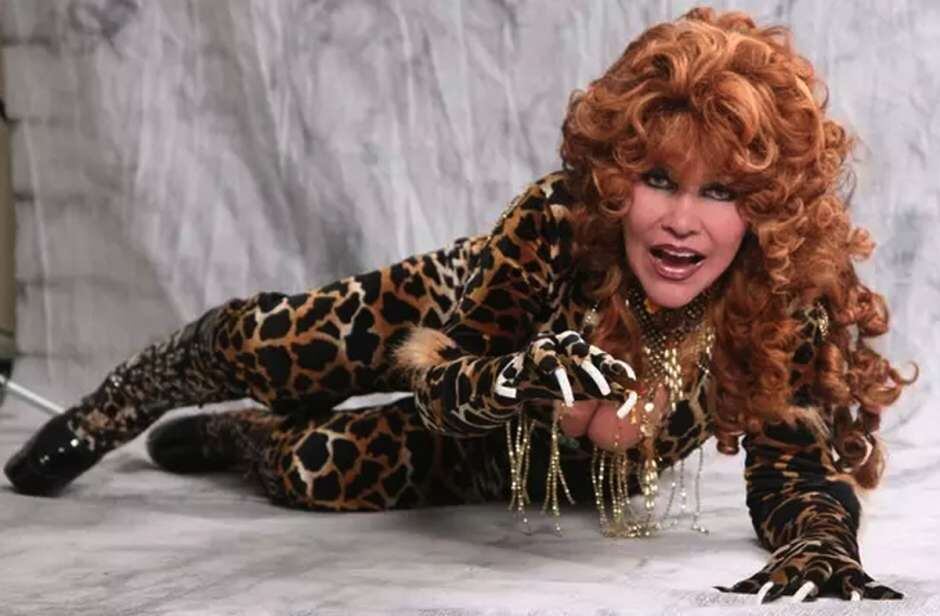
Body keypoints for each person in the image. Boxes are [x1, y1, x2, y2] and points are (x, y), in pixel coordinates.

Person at [4, 7, 913, 603]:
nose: (681, 220)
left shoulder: (785, 293)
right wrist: (521, 377)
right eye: (659, 179)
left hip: (535, 464)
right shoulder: (557, 222)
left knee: (313, 469)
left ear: (767, 209)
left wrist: (823, 545)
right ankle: (123, 402)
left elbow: (796, 462)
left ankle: (239, 437)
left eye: (719, 192)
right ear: (616, 177)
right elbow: (444, 379)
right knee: (272, 345)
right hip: (451, 322)